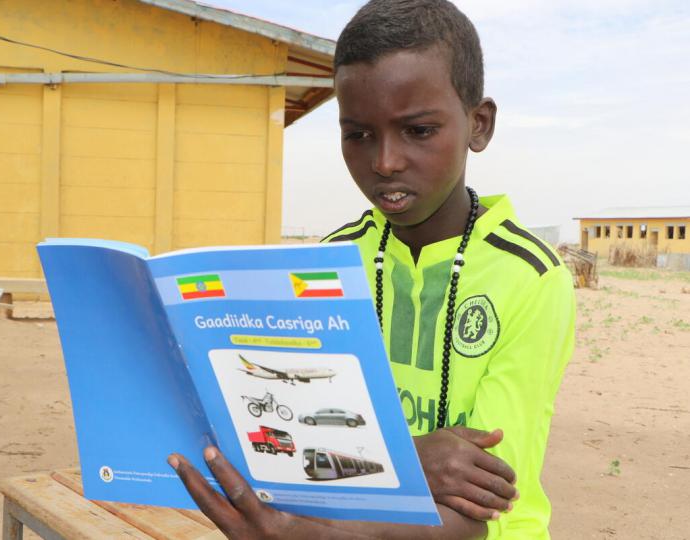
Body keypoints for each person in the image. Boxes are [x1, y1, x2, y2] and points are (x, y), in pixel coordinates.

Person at [166, 1, 575, 538]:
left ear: (479, 123)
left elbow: (481, 506)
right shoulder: (329, 262)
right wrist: (411, 460)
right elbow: (298, 438)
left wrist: (309, 528)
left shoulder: (529, 278)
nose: (384, 161)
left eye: (419, 130)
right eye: (357, 134)